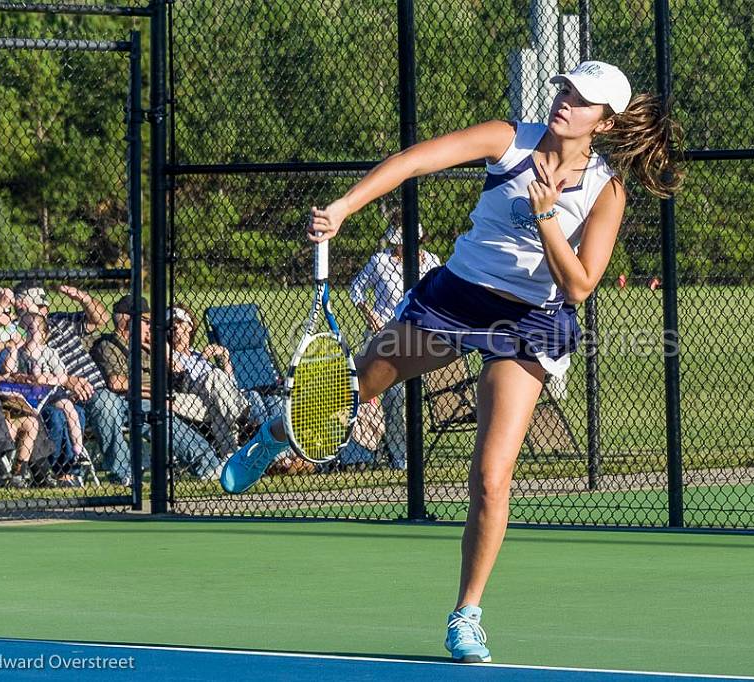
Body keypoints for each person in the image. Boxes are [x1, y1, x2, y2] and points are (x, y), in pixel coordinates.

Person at [221, 61, 681, 662]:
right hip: (458, 297)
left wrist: (545, 217)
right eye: (565, 89)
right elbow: (416, 160)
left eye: (581, 98)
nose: (565, 101)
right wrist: (345, 206)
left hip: (530, 322)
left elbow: (580, 287)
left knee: (491, 480)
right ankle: (282, 430)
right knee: (353, 390)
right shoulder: (507, 139)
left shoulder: (606, 190)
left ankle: (466, 615)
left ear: (605, 120)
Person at [12, 281, 138, 486]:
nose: (43, 311)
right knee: (70, 412)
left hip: (95, 388)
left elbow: (101, 319)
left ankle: (122, 474)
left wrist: (83, 298)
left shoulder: (61, 320)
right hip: (56, 394)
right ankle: (67, 472)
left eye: (44, 306)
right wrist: (67, 381)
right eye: (36, 308)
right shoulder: (21, 337)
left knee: (115, 405)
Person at [347, 200, 442, 469]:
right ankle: (400, 455)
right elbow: (356, 290)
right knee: (395, 396)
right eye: (398, 241)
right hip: (387, 335)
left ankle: (410, 448)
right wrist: (370, 314)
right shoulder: (380, 262)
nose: (402, 246)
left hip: (423, 335)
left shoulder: (432, 261)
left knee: (417, 394)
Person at [91, 296, 221, 480]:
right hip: (123, 400)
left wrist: (160, 349)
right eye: (146, 321)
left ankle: (208, 464)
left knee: (164, 418)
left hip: (154, 398)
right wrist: (154, 392)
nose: (151, 326)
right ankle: (124, 473)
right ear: (129, 322)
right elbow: (116, 383)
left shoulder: (149, 346)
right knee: (152, 410)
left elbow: (179, 373)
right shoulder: (108, 345)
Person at [0, 311, 57, 488]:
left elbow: (3, 374)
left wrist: (16, 378)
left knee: (31, 418)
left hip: (4, 406)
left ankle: (38, 472)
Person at [168, 305, 255, 457]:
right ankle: (242, 418)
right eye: (170, 324)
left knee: (221, 403)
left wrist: (225, 357)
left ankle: (230, 453)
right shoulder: (169, 354)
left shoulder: (199, 354)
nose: (175, 326)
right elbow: (179, 375)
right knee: (213, 375)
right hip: (190, 391)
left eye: (179, 322)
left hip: (212, 399)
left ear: (190, 326)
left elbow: (231, 384)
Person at [17, 311, 87, 485]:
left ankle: (78, 449)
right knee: (54, 416)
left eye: (31, 328)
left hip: (51, 392)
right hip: (29, 395)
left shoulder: (48, 352)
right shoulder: (18, 352)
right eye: (23, 327)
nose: (27, 331)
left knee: (71, 410)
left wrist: (48, 379)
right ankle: (47, 467)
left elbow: (63, 375)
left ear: (43, 334)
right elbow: (14, 374)